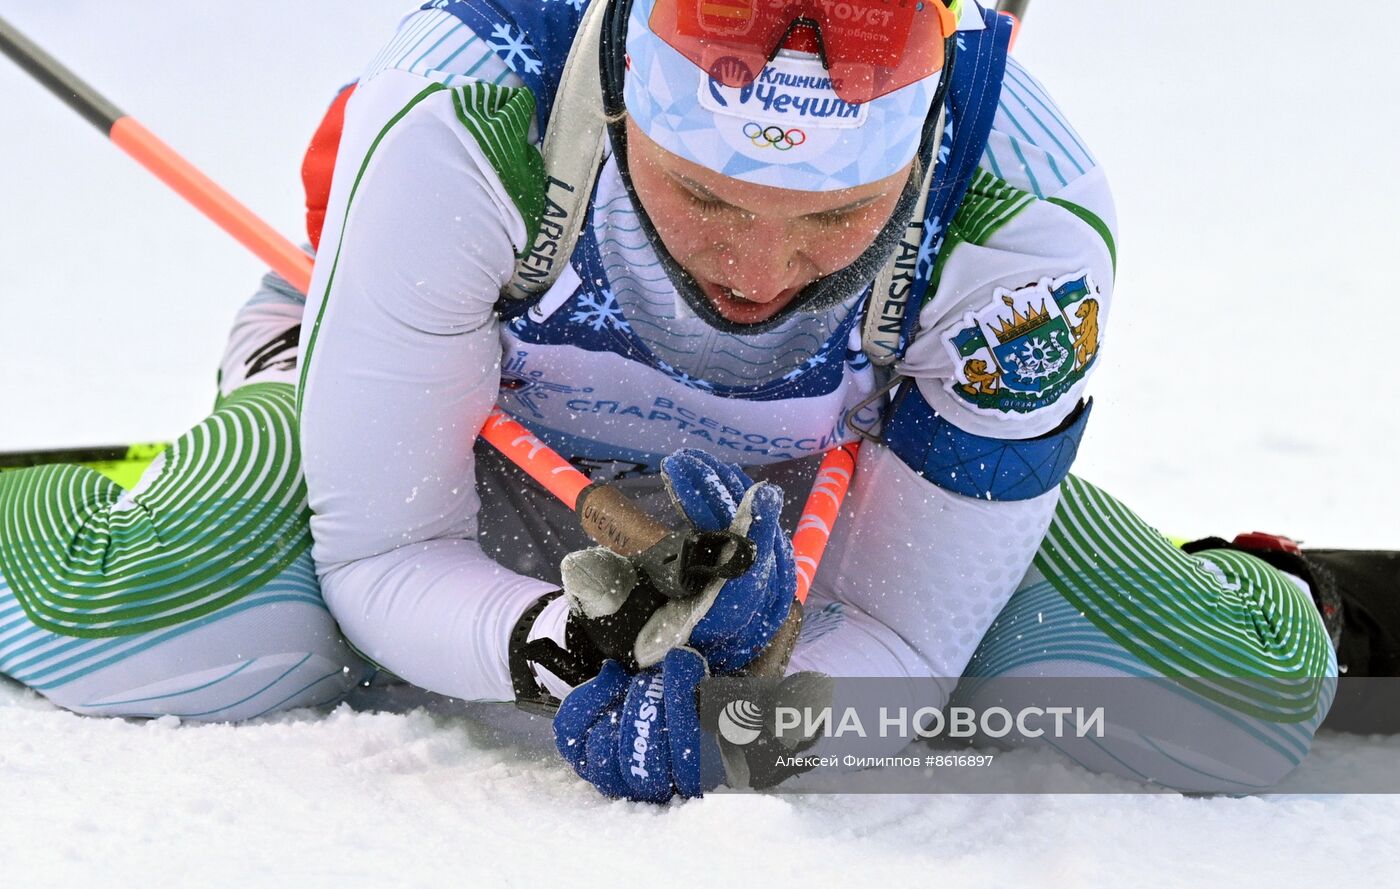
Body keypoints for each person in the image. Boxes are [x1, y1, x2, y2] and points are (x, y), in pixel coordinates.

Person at [0, 0, 1374, 799]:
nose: (758, 273)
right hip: (461, 429)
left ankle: (1286, 594)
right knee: (167, 632)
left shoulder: (1027, 224)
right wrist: (558, 644)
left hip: (811, 500)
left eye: (837, 215)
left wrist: (778, 708)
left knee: (1232, 712)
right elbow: (390, 553)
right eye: (704, 196)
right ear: (624, 104)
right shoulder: (473, 106)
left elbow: (901, 633)